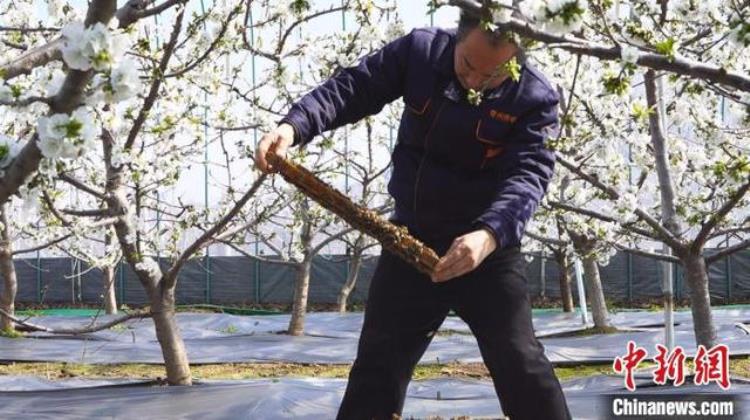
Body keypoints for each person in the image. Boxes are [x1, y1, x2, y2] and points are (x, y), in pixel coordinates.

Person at [255, 9, 571, 420]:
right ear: (456, 38)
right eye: (467, 66)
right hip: (411, 240)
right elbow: (355, 87)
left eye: (492, 77)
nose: (474, 82)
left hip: (486, 251)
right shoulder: (421, 53)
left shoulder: (535, 99)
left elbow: (528, 176)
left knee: (520, 361)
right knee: (378, 364)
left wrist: (488, 235)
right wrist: (294, 126)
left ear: (516, 62)